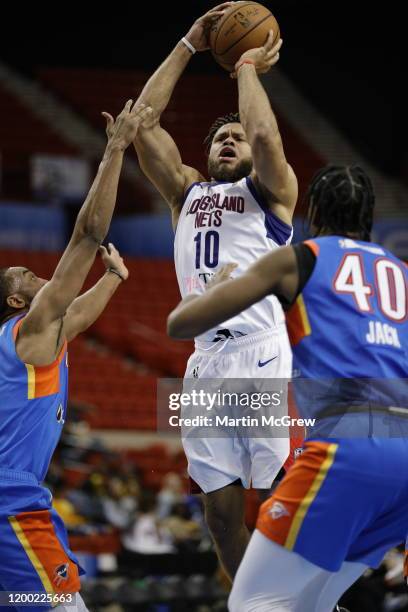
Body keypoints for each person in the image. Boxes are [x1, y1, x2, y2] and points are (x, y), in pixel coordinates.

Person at [167, 165, 408, 611]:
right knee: (315, 604)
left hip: (348, 444)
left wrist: (205, 292)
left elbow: (179, 325)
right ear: (371, 215)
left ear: (312, 211)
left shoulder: (302, 257)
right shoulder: (401, 272)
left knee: (251, 602)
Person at [133, 3, 298, 580]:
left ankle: (311, 595)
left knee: (282, 500)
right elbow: (143, 124)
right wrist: (189, 42)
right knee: (222, 518)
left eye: (236, 138)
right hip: (205, 363)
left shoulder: (272, 195)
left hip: (260, 351)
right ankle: (252, 601)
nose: (230, 141)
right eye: (219, 139)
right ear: (205, 154)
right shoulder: (186, 194)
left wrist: (245, 65)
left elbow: (262, 131)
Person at [0, 100, 150, 612]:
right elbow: (88, 233)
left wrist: (113, 277)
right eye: (22, 276)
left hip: (11, 493)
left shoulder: (41, 338)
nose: (33, 272)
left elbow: (80, 317)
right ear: (17, 303)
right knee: (64, 604)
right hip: (9, 500)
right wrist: (115, 149)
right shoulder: (29, 329)